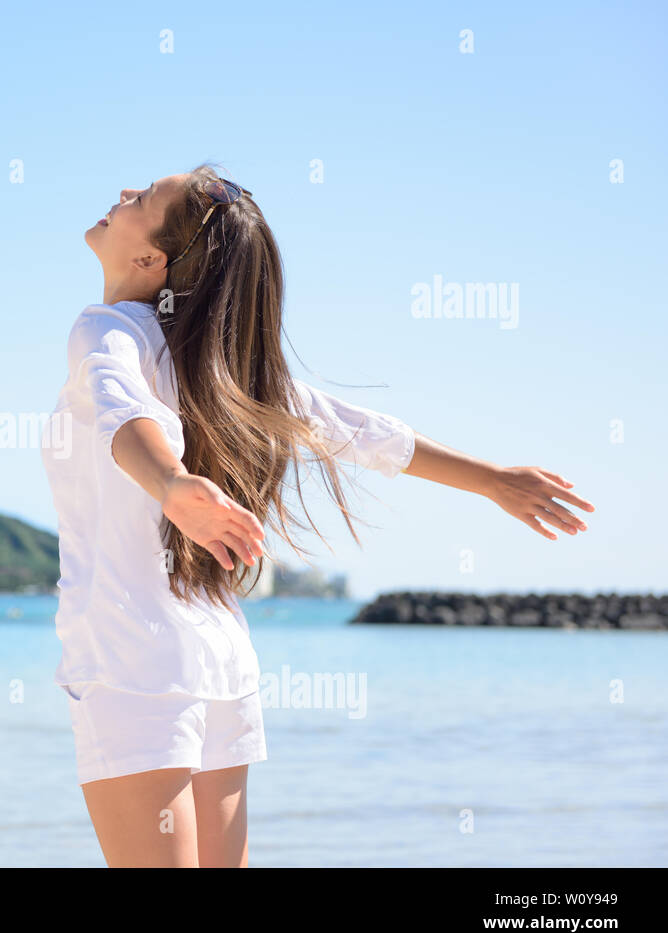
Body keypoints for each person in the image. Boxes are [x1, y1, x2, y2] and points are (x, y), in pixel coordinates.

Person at [39, 165, 596, 867]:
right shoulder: (218, 366)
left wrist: (174, 482)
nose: (121, 194)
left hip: (132, 660)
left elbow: (124, 410)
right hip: (218, 660)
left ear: (152, 260)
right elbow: (359, 432)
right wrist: (491, 480)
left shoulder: (104, 330)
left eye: (142, 198)